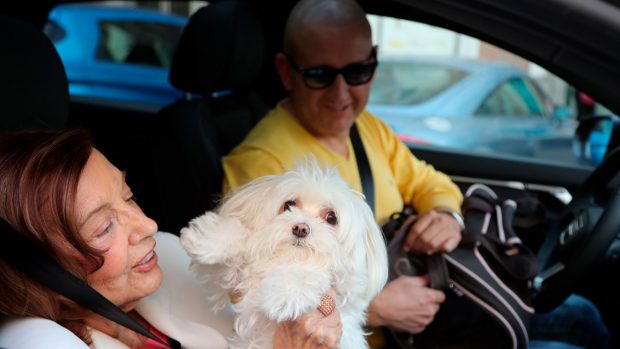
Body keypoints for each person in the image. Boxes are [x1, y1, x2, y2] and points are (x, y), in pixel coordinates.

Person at [221, 0, 610, 348]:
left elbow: (428, 180)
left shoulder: (364, 128)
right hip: (366, 337)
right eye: (320, 74)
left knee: (583, 315)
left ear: (374, 61)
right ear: (286, 71)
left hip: (434, 310)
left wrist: (445, 215)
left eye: (357, 71)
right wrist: (374, 309)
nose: (341, 94)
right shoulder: (261, 165)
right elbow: (247, 290)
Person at [0, 129, 342, 349]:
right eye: (104, 227)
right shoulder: (35, 342)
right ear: (39, 270)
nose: (147, 224)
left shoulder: (168, 259)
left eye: (129, 196)